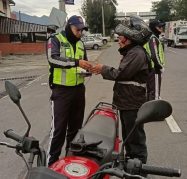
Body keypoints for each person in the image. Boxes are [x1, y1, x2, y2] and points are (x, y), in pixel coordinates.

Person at [89, 15, 152, 165]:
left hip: (132, 104)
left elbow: (121, 74)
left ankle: (139, 169)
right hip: (127, 103)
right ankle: (130, 165)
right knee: (128, 137)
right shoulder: (131, 53)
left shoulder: (137, 53)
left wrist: (102, 68)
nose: (119, 40)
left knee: (135, 139)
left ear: (129, 39)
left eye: (121, 37)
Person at [46, 15, 93, 166]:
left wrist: (87, 68)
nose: (80, 33)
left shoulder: (80, 43)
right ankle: (51, 164)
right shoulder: (55, 39)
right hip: (61, 91)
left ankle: (69, 160)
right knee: (58, 130)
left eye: (81, 30)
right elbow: (53, 59)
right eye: (77, 29)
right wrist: (76, 62)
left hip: (79, 90)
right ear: (68, 26)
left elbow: (82, 63)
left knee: (75, 129)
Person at [144, 19, 165, 101]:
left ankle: (148, 111)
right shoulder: (153, 38)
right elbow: (154, 55)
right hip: (154, 69)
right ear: (153, 27)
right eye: (159, 27)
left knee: (149, 92)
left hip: (149, 68)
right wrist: (160, 66)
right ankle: (153, 112)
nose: (161, 28)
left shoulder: (149, 37)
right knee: (155, 93)